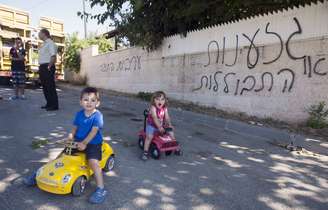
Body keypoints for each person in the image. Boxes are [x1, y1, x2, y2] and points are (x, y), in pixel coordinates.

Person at [67, 87, 107, 204]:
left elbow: (94, 131)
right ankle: (42, 173)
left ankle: (101, 188)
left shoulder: (98, 116)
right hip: (79, 141)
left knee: (93, 162)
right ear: (80, 102)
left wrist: (84, 143)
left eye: (93, 100)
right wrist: (70, 135)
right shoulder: (79, 114)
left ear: (97, 103)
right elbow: (75, 127)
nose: (89, 103)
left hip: (93, 143)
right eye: (86, 100)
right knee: (63, 155)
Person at [141, 91, 175, 161]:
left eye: (162, 99)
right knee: (149, 137)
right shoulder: (153, 108)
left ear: (165, 100)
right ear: (154, 100)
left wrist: (169, 124)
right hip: (152, 126)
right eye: (157, 99)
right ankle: (145, 152)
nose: (160, 101)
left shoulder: (164, 108)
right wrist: (159, 127)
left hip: (161, 125)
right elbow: (154, 117)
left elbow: (167, 117)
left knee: (171, 132)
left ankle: (174, 146)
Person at [38, 28, 58, 111]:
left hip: (47, 66)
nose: (38, 35)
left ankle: (54, 106)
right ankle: (49, 103)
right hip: (43, 67)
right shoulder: (44, 44)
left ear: (44, 34)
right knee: (45, 87)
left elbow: (53, 56)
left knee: (50, 87)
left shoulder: (50, 43)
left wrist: (49, 67)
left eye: (40, 33)